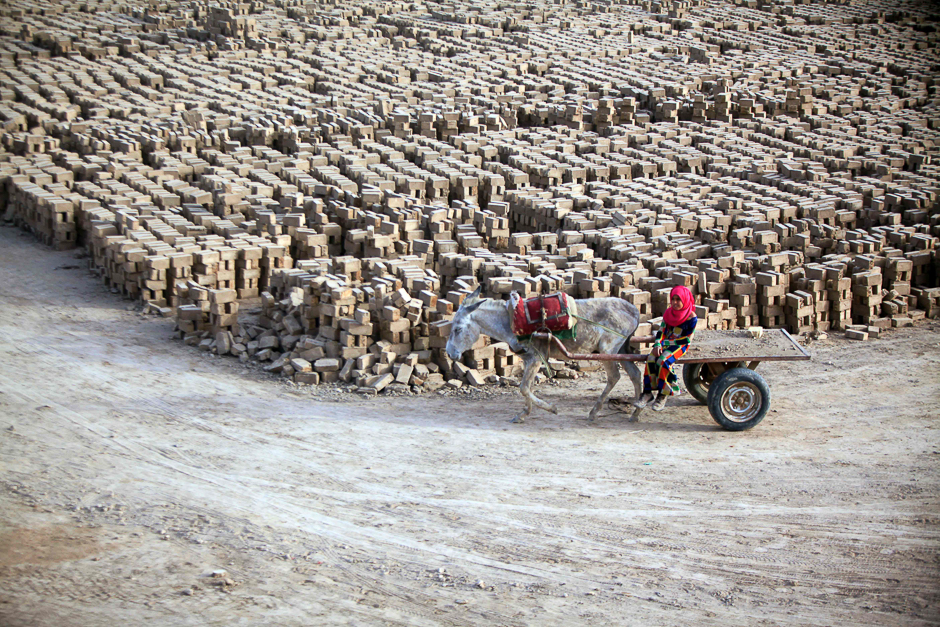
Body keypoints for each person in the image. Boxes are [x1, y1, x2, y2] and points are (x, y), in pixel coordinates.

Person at [633, 285, 697, 412]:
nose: (674, 302)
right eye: (673, 299)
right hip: (665, 343)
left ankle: (663, 394)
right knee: (651, 358)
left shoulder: (691, 317)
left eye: (678, 300)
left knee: (663, 361)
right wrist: (657, 343)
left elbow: (686, 339)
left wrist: (664, 343)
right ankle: (647, 393)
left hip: (680, 344)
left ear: (684, 300)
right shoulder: (669, 313)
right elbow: (661, 331)